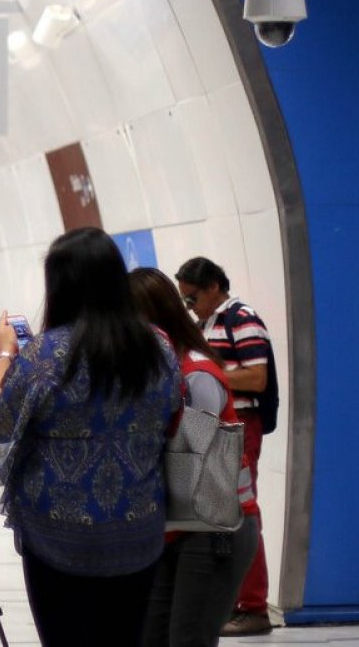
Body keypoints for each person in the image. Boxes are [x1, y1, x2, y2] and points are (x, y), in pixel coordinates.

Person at [0, 228, 181, 647]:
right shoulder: (158, 348)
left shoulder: (44, 355)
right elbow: (170, 416)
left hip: (58, 534)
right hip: (138, 529)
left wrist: (5, 356)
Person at [129, 268, 261, 647]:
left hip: (213, 527)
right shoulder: (159, 372)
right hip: (176, 528)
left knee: (188, 639)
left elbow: (192, 455)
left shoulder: (195, 374)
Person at [175, 257, 277, 637]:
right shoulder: (207, 323)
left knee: (241, 511)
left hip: (241, 425)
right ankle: (233, 600)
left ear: (215, 287)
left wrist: (211, 376)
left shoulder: (241, 318)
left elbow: (257, 376)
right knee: (221, 513)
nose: (189, 305)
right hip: (218, 425)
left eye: (193, 297)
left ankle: (254, 607)